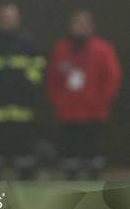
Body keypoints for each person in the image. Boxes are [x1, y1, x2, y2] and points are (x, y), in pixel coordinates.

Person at [46, 10, 121, 180]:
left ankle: (94, 178)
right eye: (77, 23)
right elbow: (52, 77)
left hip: (93, 111)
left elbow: (112, 77)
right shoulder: (61, 49)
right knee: (69, 149)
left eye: (84, 24)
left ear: (91, 27)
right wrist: (57, 100)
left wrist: (103, 100)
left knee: (93, 149)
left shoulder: (103, 49)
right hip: (67, 111)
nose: (80, 27)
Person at [0, 4, 45, 180]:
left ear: (17, 20)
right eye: (5, 18)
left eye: (11, 18)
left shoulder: (28, 42)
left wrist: (28, 84)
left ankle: (27, 179)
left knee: (24, 146)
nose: (8, 22)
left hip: (22, 105)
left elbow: (38, 66)